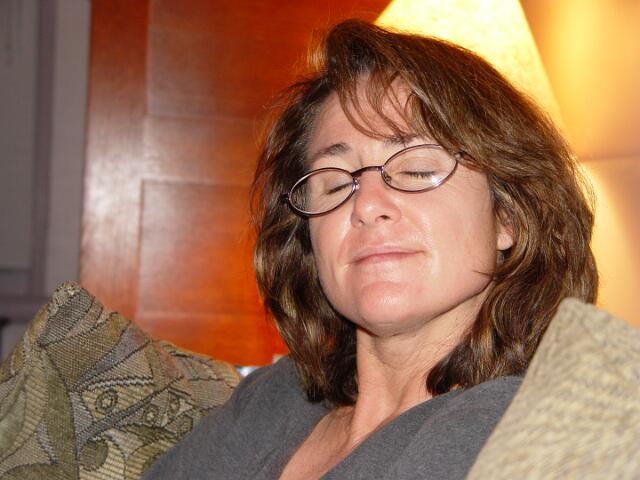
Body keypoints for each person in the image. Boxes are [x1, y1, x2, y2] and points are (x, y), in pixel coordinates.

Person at [143, 19, 598, 479]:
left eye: (417, 169)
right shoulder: (277, 397)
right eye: (334, 183)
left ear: (508, 217)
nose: (366, 205)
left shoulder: (529, 435)